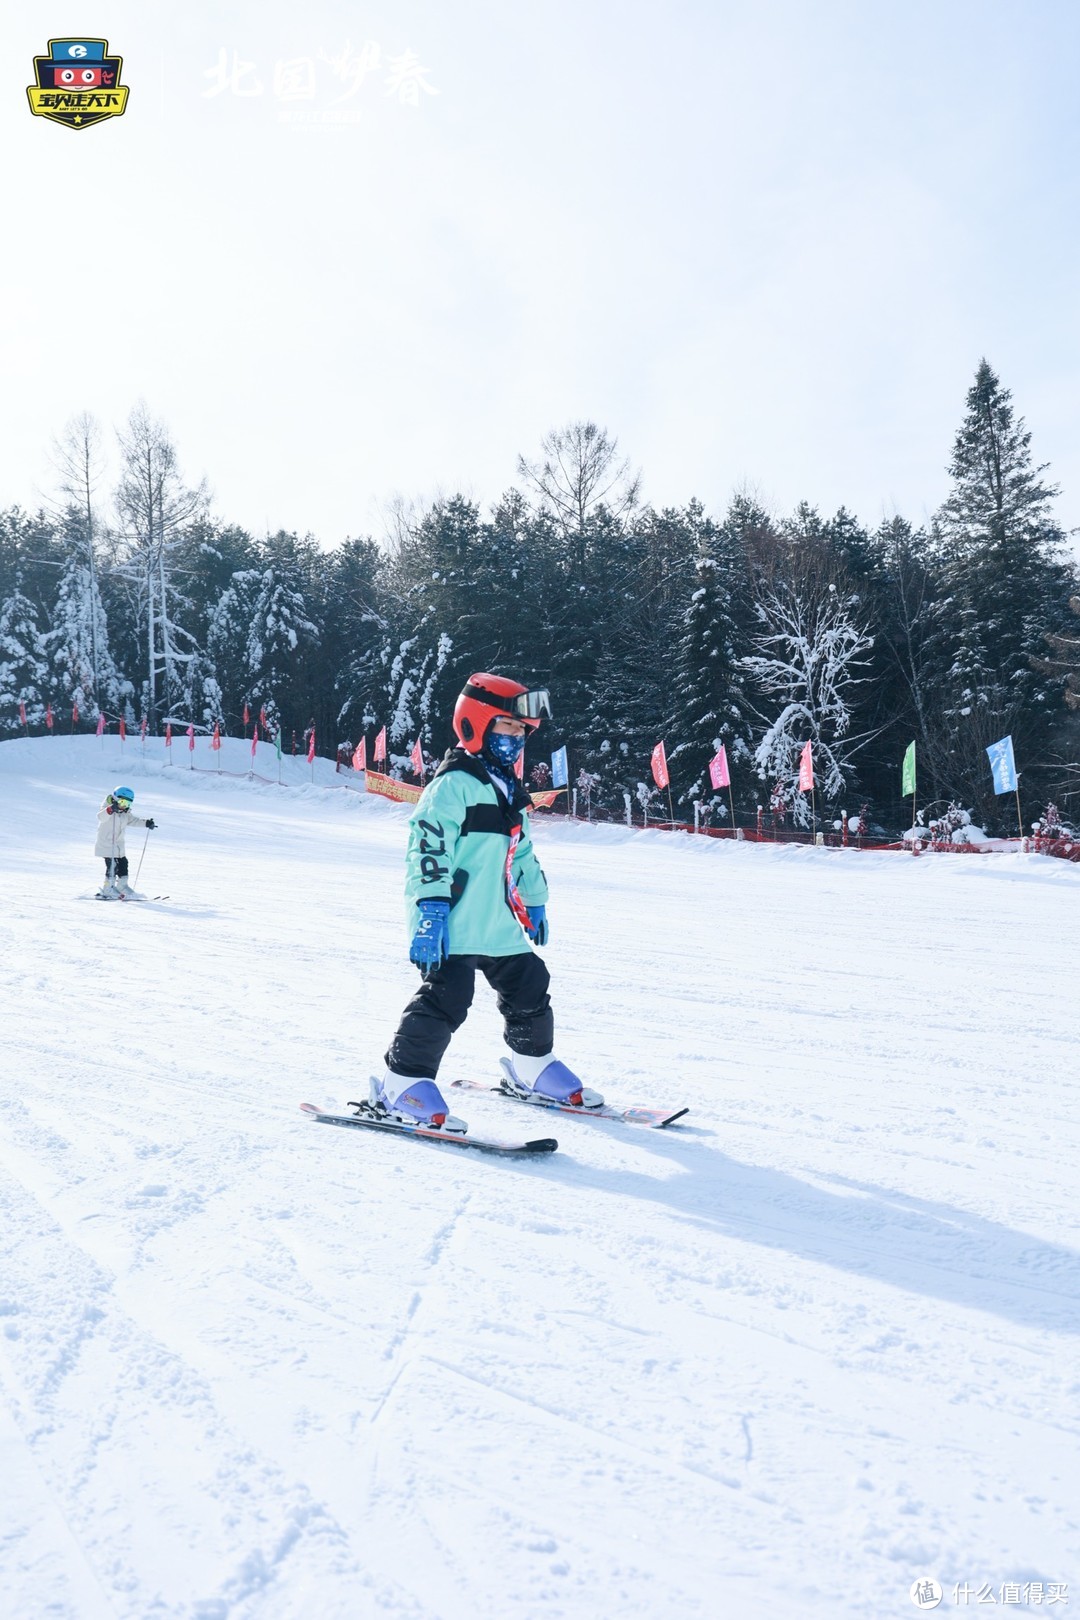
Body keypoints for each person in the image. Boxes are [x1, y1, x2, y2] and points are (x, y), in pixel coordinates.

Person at [372, 672, 602, 1131]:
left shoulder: (507, 791)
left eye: (521, 732)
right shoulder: (453, 785)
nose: (515, 741)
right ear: (476, 724)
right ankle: (401, 1083)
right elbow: (428, 847)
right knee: (448, 996)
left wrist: (534, 899)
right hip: (452, 916)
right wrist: (430, 909)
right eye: (507, 728)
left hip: (495, 918)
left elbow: (522, 851)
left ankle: (531, 1067)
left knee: (529, 981)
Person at [95, 785, 156, 900]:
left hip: (118, 846)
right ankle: (108, 888)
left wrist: (146, 823)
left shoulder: (124, 813)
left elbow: (133, 820)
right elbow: (101, 817)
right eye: (122, 802)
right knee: (112, 865)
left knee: (123, 863)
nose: (124, 806)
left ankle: (122, 886)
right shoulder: (106, 809)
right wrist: (110, 810)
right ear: (115, 799)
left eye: (128, 804)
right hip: (106, 844)